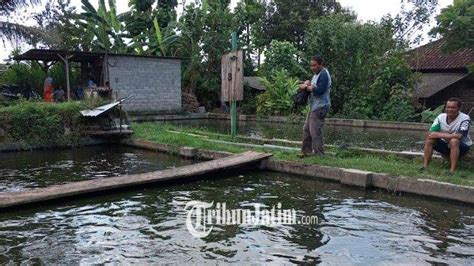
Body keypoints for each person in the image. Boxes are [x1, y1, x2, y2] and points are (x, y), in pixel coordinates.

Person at [421, 97, 472, 174]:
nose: (450, 109)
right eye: (448, 107)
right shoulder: (440, 117)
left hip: (462, 147)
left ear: (459, 108)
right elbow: (431, 134)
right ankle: (425, 166)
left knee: (454, 141)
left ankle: (452, 170)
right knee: (430, 139)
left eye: (453, 107)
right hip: (446, 145)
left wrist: (439, 134)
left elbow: (459, 136)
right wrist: (449, 135)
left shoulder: (465, 118)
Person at [298, 56, 332, 156]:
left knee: (315, 130)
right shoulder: (316, 74)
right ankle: (306, 151)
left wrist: (306, 87)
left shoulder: (324, 74)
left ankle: (319, 153)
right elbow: (314, 86)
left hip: (320, 106)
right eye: (311, 65)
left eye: (314, 65)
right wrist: (308, 83)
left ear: (321, 64)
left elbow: (320, 91)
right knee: (307, 129)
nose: (312, 67)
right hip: (314, 106)